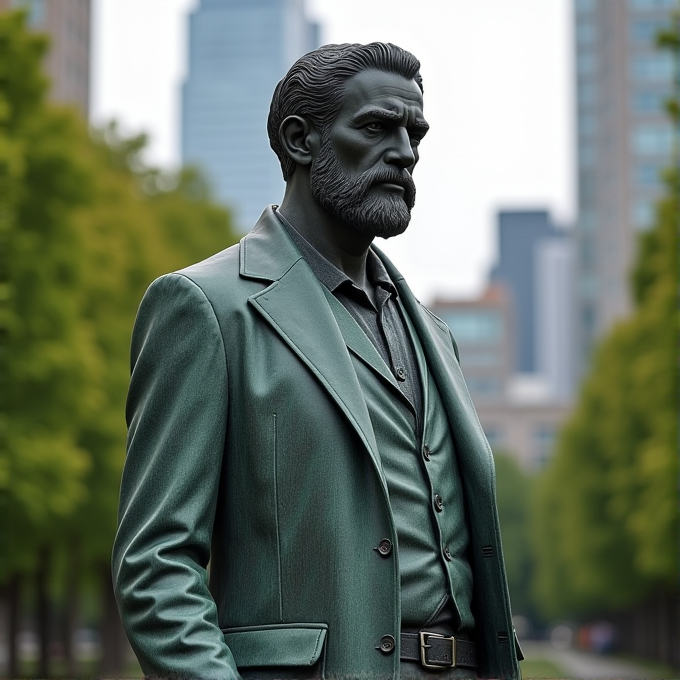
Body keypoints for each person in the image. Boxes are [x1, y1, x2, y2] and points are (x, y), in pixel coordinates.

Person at [112, 42, 523, 680]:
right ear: (301, 141)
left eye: (414, 133)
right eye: (376, 127)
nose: (406, 152)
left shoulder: (434, 334)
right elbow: (156, 567)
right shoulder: (205, 308)